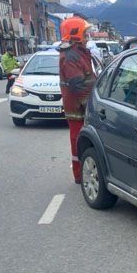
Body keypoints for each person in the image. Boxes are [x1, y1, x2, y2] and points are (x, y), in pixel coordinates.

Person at [58, 17, 97, 184]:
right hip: (78, 108)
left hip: (81, 105)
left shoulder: (79, 52)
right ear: (76, 34)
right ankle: (79, 174)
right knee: (77, 139)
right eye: (85, 33)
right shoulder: (71, 56)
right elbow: (77, 85)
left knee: (82, 138)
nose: (88, 37)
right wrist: (91, 106)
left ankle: (83, 171)